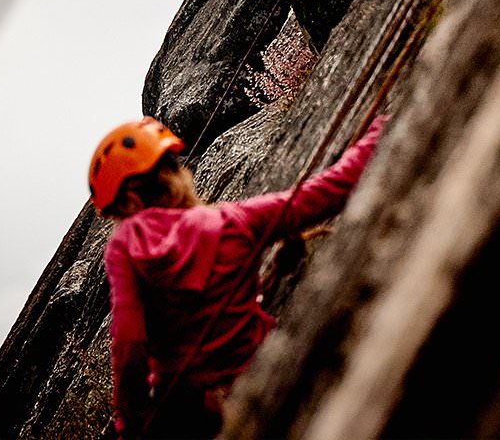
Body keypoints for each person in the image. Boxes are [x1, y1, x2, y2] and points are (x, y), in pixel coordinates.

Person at [90, 114, 386, 439]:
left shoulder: (127, 245)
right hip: (266, 375)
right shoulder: (237, 221)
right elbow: (328, 191)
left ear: (131, 200)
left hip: (194, 415)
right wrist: (378, 130)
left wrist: (131, 422)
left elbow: (129, 341)